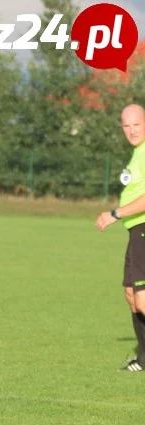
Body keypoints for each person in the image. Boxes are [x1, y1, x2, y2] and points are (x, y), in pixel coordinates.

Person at [97, 103, 145, 372]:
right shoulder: (137, 154)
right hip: (135, 229)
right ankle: (144, 359)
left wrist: (116, 213)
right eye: (126, 125)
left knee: (142, 299)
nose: (131, 130)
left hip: (143, 226)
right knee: (131, 294)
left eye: (136, 124)